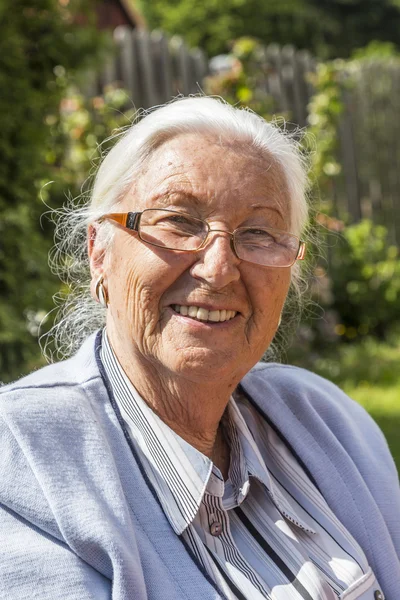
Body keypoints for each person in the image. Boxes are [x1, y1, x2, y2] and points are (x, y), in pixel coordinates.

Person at [0, 97, 399, 600]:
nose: (218, 268)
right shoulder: (20, 458)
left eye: (257, 234)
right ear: (99, 251)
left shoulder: (329, 421)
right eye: (179, 222)